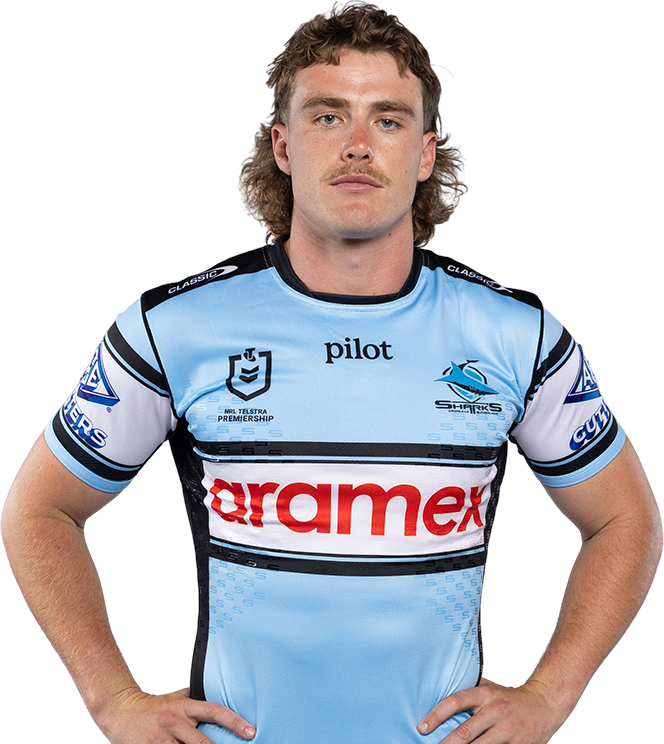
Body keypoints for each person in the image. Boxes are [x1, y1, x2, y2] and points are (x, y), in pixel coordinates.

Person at [2, 2, 662, 742]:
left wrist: (550, 695)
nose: (357, 145)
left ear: (425, 153)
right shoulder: (174, 327)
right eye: (327, 116)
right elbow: (39, 510)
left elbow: (626, 520)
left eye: (388, 120)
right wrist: (111, 700)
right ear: (282, 145)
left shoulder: (517, 334)